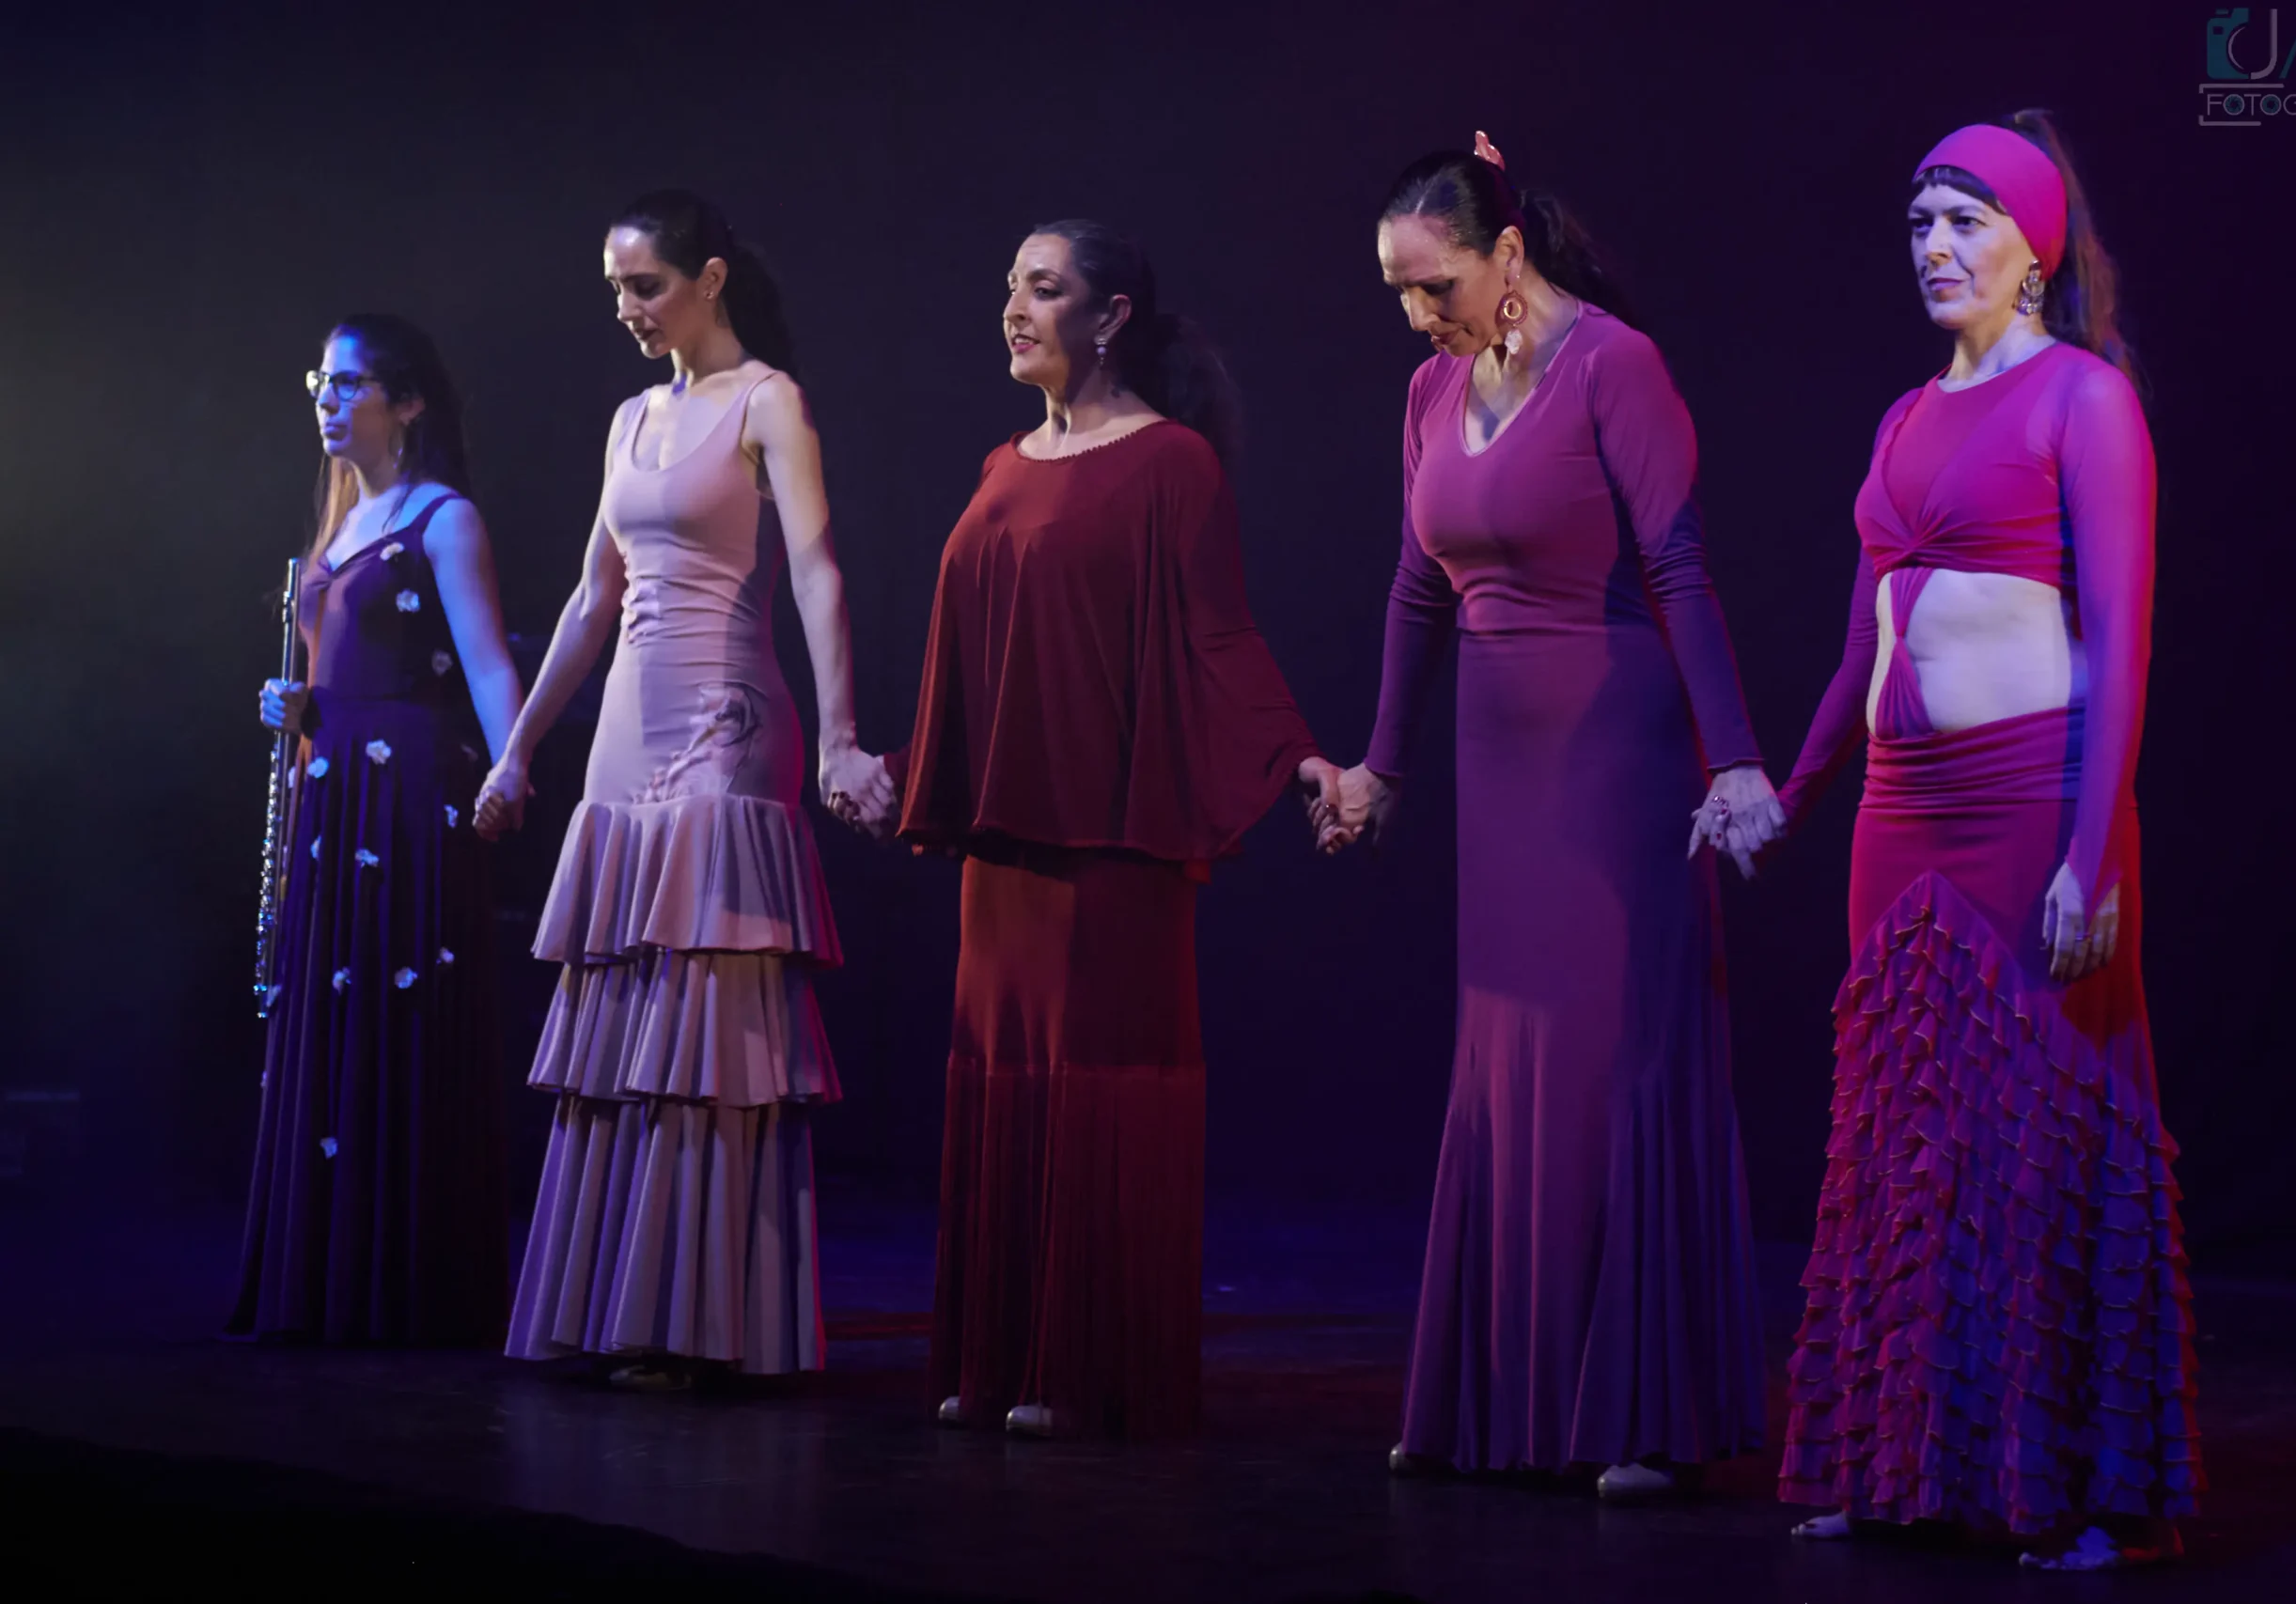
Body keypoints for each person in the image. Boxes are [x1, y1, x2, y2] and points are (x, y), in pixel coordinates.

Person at [1752, 114, 2200, 1570]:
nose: (1937, 248)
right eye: (1921, 224)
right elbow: (1856, 645)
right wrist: (1792, 790)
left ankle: (2060, 1484)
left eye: (1967, 222)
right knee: (1904, 1131)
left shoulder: (2085, 400)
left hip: (2030, 804)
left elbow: (2121, 644)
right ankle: (1896, 1463)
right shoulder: (1900, 417)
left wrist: (2095, 854)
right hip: (1902, 811)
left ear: (2034, 250)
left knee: (2030, 1126)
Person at [1318, 134, 1780, 1500]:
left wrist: (1734, 761)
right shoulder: (1427, 389)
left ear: (1506, 251)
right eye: (1398, 291)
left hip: (1615, 749)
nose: (1419, 313)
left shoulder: (1613, 367)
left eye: (1436, 282)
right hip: (1493, 763)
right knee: (1510, 1053)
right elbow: (1417, 592)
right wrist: (1381, 768)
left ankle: (1633, 1403)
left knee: (1608, 1053)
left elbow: (1681, 568)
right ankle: (1496, 1395)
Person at [881, 220, 1337, 1440]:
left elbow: (1218, 634)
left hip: (1106, 847)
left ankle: (1080, 1362)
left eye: (1045, 288)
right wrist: (909, 765)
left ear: (1113, 313)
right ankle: (995, 1353)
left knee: (1091, 1076)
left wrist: (1299, 761)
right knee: (1004, 1072)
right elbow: (979, 654)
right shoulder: (999, 463)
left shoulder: (1171, 462)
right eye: (1010, 288)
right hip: (1006, 856)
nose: (1015, 309)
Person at [481, 191, 893, 1387]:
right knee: (622, 1009)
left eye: (646, 285)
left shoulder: (769, 402)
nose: (627, 308)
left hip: (726, 715)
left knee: (706, 1016)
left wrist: (838, 736)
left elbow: (815, 570)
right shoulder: (628, 418)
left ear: (710, 278)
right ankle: (608, 1304)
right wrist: (517, 748)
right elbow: (588, 600)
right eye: (615, 289)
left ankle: (695, 1317)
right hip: (626, 722)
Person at [233, 314, 524, 1345]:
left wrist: (514, 761)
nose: (327, 396)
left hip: (405, 806)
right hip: (331, 798)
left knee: (396, 1022)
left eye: (351, 382)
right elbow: (331, 667)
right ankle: (326, 1281)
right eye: (322, 378)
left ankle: (402, 1284)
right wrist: (294, 702)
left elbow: (487, 663)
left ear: (406, 403)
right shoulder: (332, 526)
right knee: (330, 1019)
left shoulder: (443, 517)